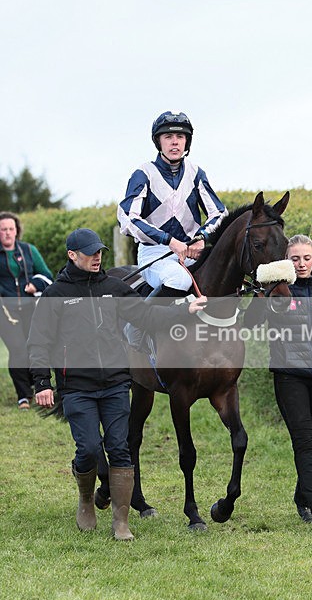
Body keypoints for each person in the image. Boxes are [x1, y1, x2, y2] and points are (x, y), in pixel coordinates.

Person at [28, 228, 207, 541]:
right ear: (72, 255)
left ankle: (121, 522)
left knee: (119, 449)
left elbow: (147, 317)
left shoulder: (114, 288)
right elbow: (39, 340)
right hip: (77, 387)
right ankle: (86, 499)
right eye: (89, 253)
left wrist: (183, 311)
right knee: (88, 449)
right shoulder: (56, 294)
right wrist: (42, 382)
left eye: (99, 251)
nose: (96, 257)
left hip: (115, 384)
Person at [244, 234, 312, 530]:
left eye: (307, 258)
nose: (302, 263)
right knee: (304, 441)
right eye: (295, 258)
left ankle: (302, 496)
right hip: (289, 376)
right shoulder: (278, 290)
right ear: (286, 260)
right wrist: (260, 298)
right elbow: (249, 324)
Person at [117, 110, 228, 296]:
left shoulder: (196, 173)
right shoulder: (143, 173)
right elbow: (127, 218)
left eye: (180, 136)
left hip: (191, 252)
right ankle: (143, 316)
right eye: (168, 137)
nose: (175, 142)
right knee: (179, 279)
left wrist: (201, 238)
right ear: (158, 141)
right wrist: (168, 240)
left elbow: (219, 213)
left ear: (186, 142)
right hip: (155, 253)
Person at [0, 211, 53, 409]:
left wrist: (35, 285)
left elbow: (46, 274)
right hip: (5, 310)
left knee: (34, 347)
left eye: (10, 229)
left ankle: (37, 386)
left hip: (30, 307)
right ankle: (23, 395)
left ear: (16, 230)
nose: (7, 233)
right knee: (17, 348)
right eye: (3, 229)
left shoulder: (29, 250)